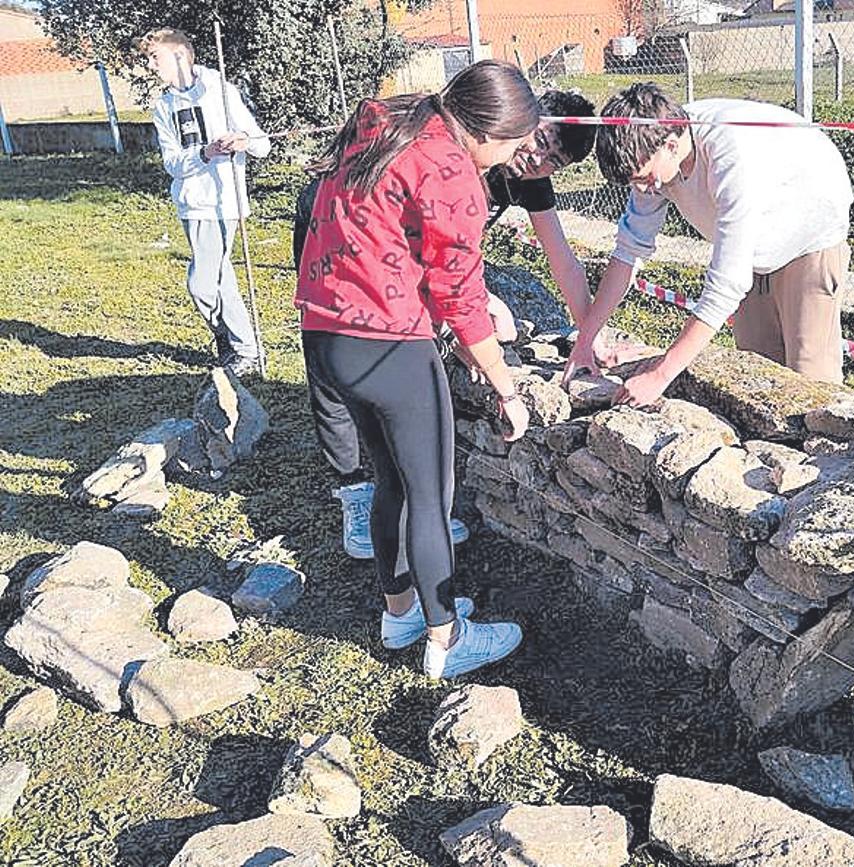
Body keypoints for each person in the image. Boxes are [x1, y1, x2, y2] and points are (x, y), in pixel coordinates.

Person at [295, 60, 535, 680]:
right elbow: (460, 294)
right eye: (509, 147)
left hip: (326, 330)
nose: (507, 160)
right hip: (388, 343)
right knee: (431, 497)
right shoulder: (454, 172)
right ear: (486, 131)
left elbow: (379, 233)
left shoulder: (389, 118)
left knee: (391, 484)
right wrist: (506, 387)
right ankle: (447, 639)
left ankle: (399, 612)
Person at [293, 90, 598, 561]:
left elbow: (560, 261)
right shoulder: (457, 148)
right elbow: (449, 273)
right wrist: (482, 344)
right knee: (334, 348)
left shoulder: (523, 173)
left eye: (553, 160)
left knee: (399, 363)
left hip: (406, 258)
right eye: (540, 141)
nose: (536, 158)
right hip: (342, 224)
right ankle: (355, 489)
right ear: (519, 122)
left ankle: (409, 499)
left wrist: (587, 339)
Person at [563, 83, 854, 405]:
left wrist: (660, 375)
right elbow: (629, 250)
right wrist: (585, 342)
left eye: (645, 178)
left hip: (808, 234)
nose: (646, 189)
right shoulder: (652, 151)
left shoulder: (731, 158)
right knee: (759, 373)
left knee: (810, 380)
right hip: (754, 246)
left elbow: (726, 285)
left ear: (672, 145)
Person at [141, 27, 268, 377]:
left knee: (201, 283)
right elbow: (172, 164)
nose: (151, 66)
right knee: (219, 278)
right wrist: (205, 152)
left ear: (180, 55)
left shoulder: (222, 92)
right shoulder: (163, 106)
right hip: (191, 204)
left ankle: (235, 342)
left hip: (223, 201)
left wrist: (243, 141)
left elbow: (262, 143)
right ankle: (243, 348)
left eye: (156, 58)